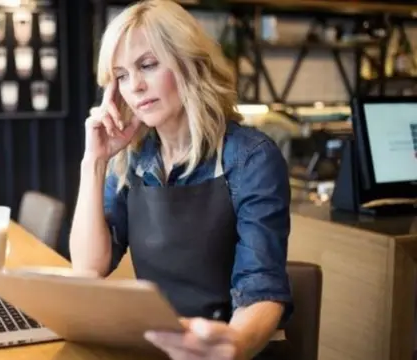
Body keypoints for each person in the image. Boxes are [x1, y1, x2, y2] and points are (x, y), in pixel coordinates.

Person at [68, 0, 294, 359]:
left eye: (148, 65)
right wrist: (93, 161)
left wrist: (231, 345)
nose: (135, 86)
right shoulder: (134, 156)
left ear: (190, 63)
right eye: (122, 76)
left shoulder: (250, 156)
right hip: (157, 346)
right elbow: (90, 266)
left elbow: (261, 287)